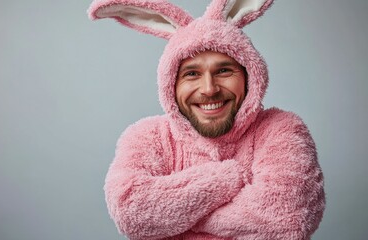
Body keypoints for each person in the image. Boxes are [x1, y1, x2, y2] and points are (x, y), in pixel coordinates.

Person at [88, 0, 325, 239]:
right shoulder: (147, 136)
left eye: (223, 70)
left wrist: (179, 218)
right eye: (191, 74)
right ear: (171, 84)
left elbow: (287, 220)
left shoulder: (280, 129)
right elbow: (132, 213)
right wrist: (229, 178)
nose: (209, 89)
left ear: (249, 76)